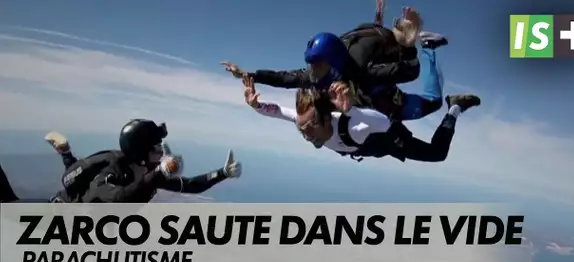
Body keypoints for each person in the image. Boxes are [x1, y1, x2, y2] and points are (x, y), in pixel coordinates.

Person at [221, 7, 447, 122]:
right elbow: (285, 78)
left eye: (317, 65)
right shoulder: (320, 71)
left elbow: (411, 71)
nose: (312, 71)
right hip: (370, 50)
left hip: (383, 94)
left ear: (334, 64)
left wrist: (410, 44)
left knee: (434, 103)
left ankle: (428, 45)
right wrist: (248, 74)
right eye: (312, 64)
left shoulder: (363, 71)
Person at [241, 76, 480, 163]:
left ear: (327, 119)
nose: (305, 133)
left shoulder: (354, 127)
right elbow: (279, 112)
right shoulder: (305, 122)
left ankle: (455, 107)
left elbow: (384, 123)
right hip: (369, 143)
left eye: (310, 127)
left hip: (388, 137)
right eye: (302, 129)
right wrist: (256, 105)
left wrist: (352, 110)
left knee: (436, 154)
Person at [81, 119, 242, 203]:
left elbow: (191, 185)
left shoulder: (148, 172)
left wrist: (223, 173)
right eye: (156, 147)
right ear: (142, 151)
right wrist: (158, 173)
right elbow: (120, 198)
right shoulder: (111, 170)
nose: (161, 153)